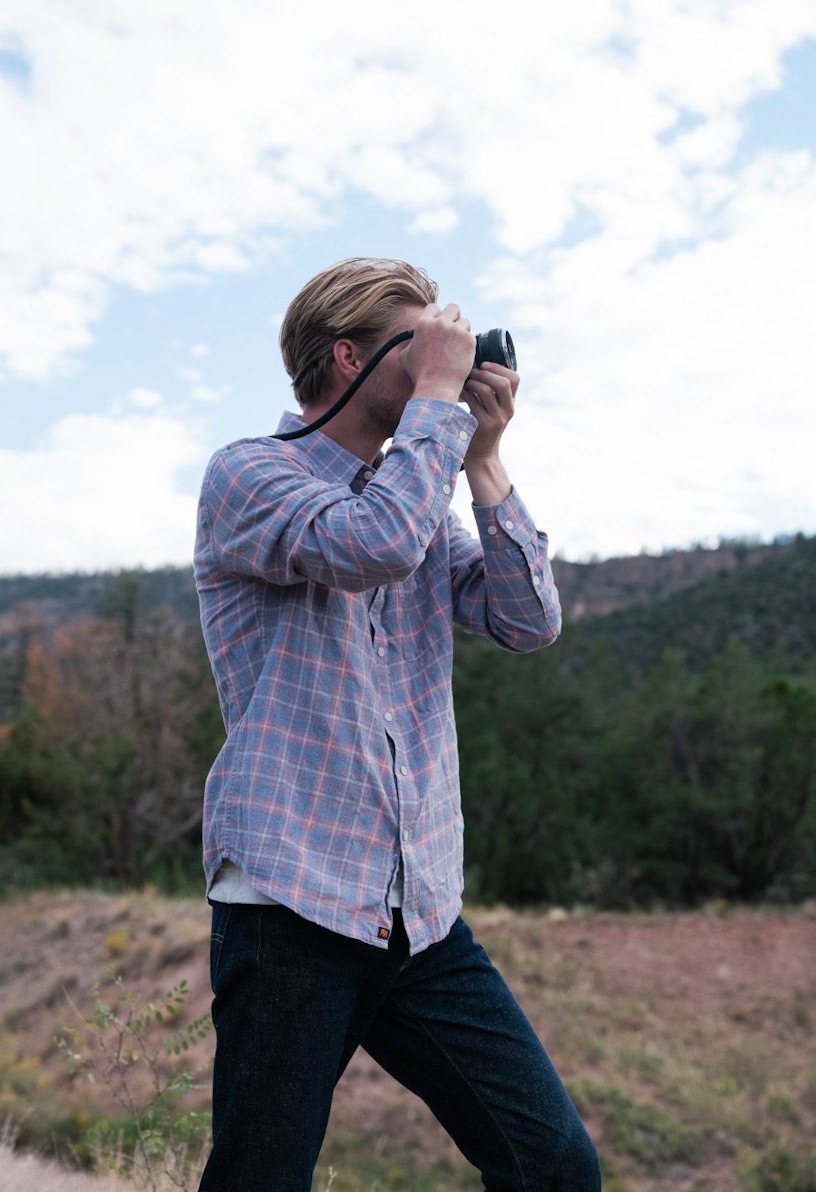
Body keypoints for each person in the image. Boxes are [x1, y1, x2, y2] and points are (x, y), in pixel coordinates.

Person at [192, 257, 600, 1191]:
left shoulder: (411, 499)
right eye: (421, 350)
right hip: (292, 903)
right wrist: (438, 416)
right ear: (347, 357)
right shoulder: (253, 474)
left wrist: (485, 456)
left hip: (417, 915)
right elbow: (368, 546)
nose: (441, 372)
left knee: (555, 1167)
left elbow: (526, 621)